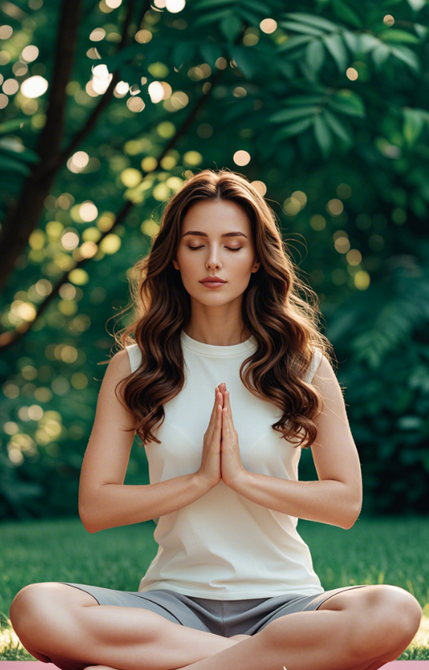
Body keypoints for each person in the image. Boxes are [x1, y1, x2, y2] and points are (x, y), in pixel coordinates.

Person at [9, 169, 422, 670]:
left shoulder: (303, 365)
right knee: (37, 607)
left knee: (394, 610)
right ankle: (256, 663)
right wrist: (202, 480)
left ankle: (188, 665)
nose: (213, 261)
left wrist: (242, 480)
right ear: (174, 258)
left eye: (232, 245)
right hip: (170, 606)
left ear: (255, 260)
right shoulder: (136, 366)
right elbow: (96, 508)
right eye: (195, 243)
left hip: (286, 605)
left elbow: (345, 502)